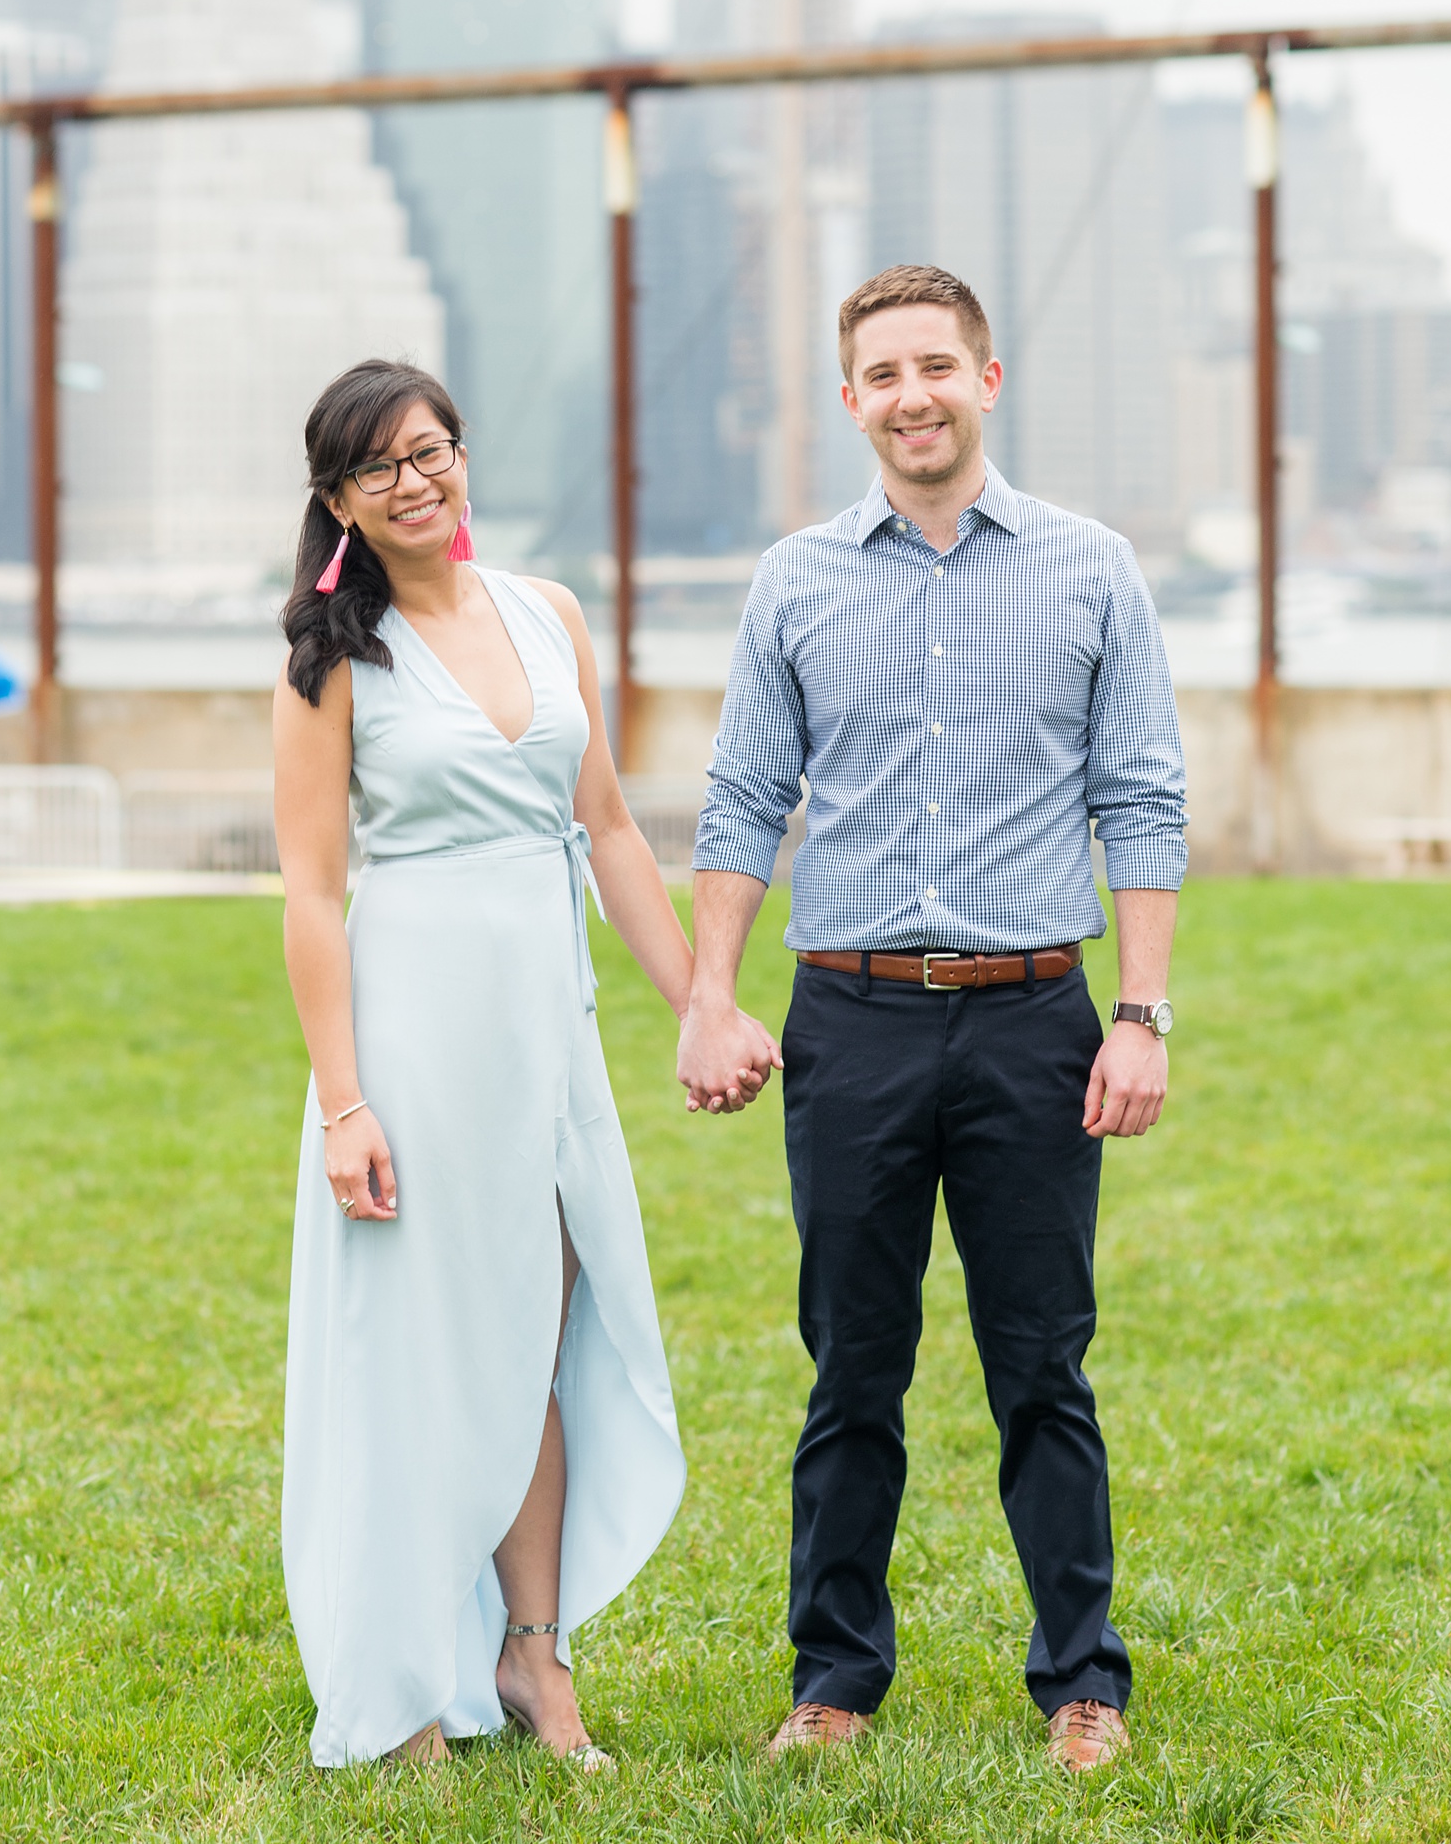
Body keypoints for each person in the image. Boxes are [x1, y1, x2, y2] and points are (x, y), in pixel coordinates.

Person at [679, 264, 1186, 1774]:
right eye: (882, 373)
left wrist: (1141, 1013)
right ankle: (833, 1681)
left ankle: (1081, 1682)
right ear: (852, 401)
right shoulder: (796, 581)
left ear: (987, 377)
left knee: (1044, 1360)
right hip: (851, 1020)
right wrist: (711, 993)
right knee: (853, 1365)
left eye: (935, 366)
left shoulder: (1094, 570)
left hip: (1037, 1017)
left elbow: (1142, 794)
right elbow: (745, 798)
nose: (912, 394)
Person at [273, 357, 691, 1770]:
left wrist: (701, 1000)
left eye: (431, 447)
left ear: (462, 454)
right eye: (378, 464)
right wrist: (345, 1102)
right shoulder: (332, 656)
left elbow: (613, 831)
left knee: (540, 1324)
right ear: (337, 499)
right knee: (415, 1346)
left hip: (546, 1026)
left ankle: (535, 1658)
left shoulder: (547, 610)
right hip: (412, 1030)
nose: (415, 477)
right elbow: (309, 892)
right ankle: (398, 1685)